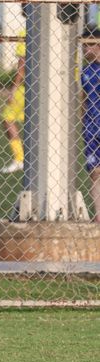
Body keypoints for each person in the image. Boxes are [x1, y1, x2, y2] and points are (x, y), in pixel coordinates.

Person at [0, 5, 27, 174]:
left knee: (8, 119)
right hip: (40, 86)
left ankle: (20, 158)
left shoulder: (25, 33)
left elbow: (22, 65)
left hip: (24, 88)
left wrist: (14, 87)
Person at [79, 28, 100, 223]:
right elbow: (84, 98)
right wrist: (83, 120)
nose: (86, 49)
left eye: (91, 44)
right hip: (92, 126)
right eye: (84, 45)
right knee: (94, 171)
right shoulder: (86, 71)